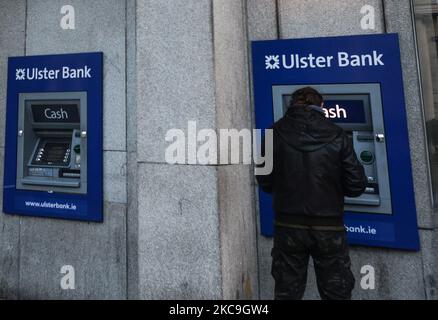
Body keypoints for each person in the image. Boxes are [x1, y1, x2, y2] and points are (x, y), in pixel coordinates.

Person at [256, 87, 367, 300]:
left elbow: (264, 181)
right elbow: (356, 185)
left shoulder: (272, 134)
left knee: (287, 293)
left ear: (291, 105)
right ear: (321, 106)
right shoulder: (337, 134)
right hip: (329, 227)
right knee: (336, 292)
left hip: (288, 226)